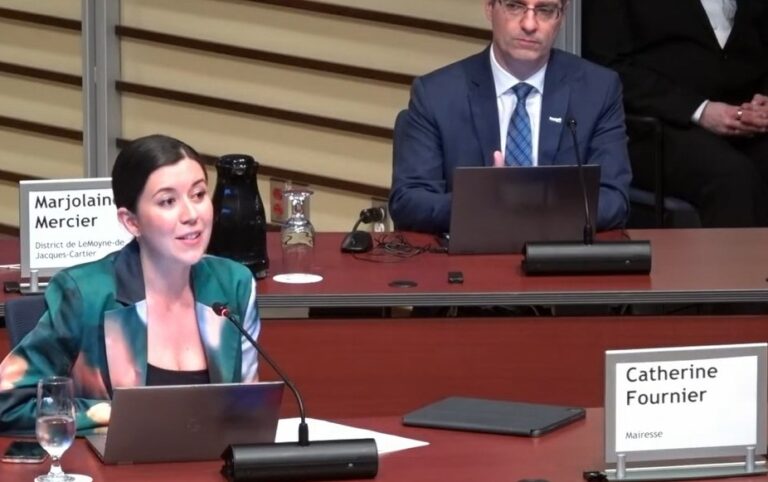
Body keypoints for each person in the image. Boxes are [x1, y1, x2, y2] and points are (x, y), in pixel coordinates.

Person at [0, 134, 260, 432]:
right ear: (131, 221)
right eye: (168, 201)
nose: (191, 215)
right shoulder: (85, 294)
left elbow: (246, 412)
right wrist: (110, 414)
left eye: (198, 194)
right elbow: (8, 403)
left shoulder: (234, 285)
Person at [389, 0, 631, 234]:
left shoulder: (598, 90)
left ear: (562, 16)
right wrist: (480, 204)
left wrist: (524, 208)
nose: (529, 24)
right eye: (515, 6)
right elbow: (409, 201)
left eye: (545, 10)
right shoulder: (436, 94)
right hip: (470, 254)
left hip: (560, 254)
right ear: (490, 7)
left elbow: (614, 199)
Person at [582, 0, 768, 227]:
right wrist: (700, 109)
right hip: (656, 126)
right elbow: (607, 66)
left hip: (746, 116)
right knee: (732, 177)